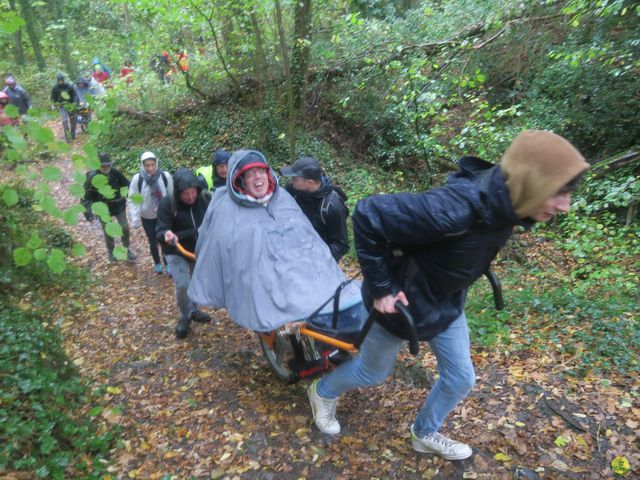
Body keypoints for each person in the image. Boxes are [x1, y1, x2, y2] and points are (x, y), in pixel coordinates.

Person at [305, 130, 590, 460]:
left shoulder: (508, 205)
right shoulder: (454, 208)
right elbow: (369, 213)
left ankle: (423, 433)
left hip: (446, 303)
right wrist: (382, 289)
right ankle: (322, 391)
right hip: (400, 306)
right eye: (559, 193)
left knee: (460, 378)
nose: (565, 206)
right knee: (373, 373)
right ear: (532, 181)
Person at [188, 150, 362, 334]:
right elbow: (216, 246)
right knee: (289, 317)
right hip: (263, 281)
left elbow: (308, 236)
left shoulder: (284, 198)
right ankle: (302, 350)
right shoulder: (226, 208)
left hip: (302, 271)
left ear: (268, 174)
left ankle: (325, 342)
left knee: (329, 303)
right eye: (250, 173)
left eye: (261, 171)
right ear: (240, 179)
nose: (257, 177)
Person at [156, 168, 212, 339]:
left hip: (197, 249)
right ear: (178, 193)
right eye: (186, 194)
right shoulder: (168, 203)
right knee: (182, 285)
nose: (190, 197)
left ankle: (194, 309)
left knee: (196, 282)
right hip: (176, 250)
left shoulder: (203, 199)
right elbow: (160, 231)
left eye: (193, 192)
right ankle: (185, 315)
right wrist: (166, 234)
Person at [281, 156, 350, 262]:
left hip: (318, 262)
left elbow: (341, 245)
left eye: (295, 179)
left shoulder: (332, 206)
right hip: (291, 254)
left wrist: (315, 259)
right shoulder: (294, 190)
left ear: (310, 183)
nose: (292, 181)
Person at [82, 153, 136, 262]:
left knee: (124, 227)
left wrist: (127, 195)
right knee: (108, 231)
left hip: (118, 205)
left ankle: (126, 249)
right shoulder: (93, 177)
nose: (106, 168)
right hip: (103, 209)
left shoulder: (116, 173)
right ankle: (111, 251)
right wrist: (88, 213)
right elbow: (85, 197)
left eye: (108, 165)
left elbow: (127, 185)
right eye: (103, 166)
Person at [128, 151, 174, 274]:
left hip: (163, 216)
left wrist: (174, 212)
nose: (150, 168)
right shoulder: (137, 179)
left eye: (152, 165)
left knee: (165, 240)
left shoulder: (165, 176)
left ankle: (168, 263)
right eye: (147, 165)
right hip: (147, 216)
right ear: (142, 165)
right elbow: (132, 199)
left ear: (156, 163)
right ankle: (157, 263)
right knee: (153, 241)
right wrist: (134, 218)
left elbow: (171, 194)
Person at [50, 73, 78, 142]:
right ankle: (67, 136)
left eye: (62, 80)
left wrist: (75, 103)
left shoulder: (69, 86)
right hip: (62, 106)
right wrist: (53, 104)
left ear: (64, 80)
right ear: (57, 81)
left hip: (70, 105)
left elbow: (75, 95)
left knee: (73, 120)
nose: (61, 82)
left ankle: (73, 133)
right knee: (64, 121)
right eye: (59, 81)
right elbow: (52, 98)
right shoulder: (55, 88)